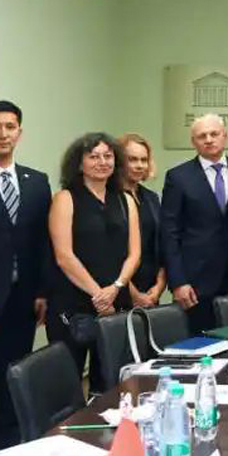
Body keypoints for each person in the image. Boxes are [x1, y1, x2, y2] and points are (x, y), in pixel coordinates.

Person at [0, 100, 52, 447]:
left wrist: (42, 290)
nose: (3, 134)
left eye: (10, 127)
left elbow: (42, 240)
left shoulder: (37, 182)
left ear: (20, 132)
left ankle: (5, 451)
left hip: (22, 299)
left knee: (11, 380)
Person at [47, 133, 140, 390]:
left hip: (117, 300)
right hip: (74, 303)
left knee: (111, 383)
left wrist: (116, 288)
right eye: (94, 156)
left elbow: (134, 253)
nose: (102, 162)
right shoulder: (65, 198)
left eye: (108, 156)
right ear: (79, 163)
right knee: (67, 383)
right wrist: (99, 294)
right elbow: (64, 256)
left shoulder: (126, 200)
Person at [161, 114, 228, 333]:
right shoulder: (178, 177)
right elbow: (169, 234)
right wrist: (178, 282)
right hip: (195, 283)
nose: (209, 140)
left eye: (214, 134)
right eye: (202, 136)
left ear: (225, 136)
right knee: (199, 343)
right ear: (193, 142)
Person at [118, 133, 166, 310]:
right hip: (119, 292)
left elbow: (161, 244)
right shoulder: (109, 198)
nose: (139, 165)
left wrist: (159, 286)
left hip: (151, 292)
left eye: (143, 160)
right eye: (132, 159)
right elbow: (109, 255)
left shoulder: (151, 198)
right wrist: (134, 295)